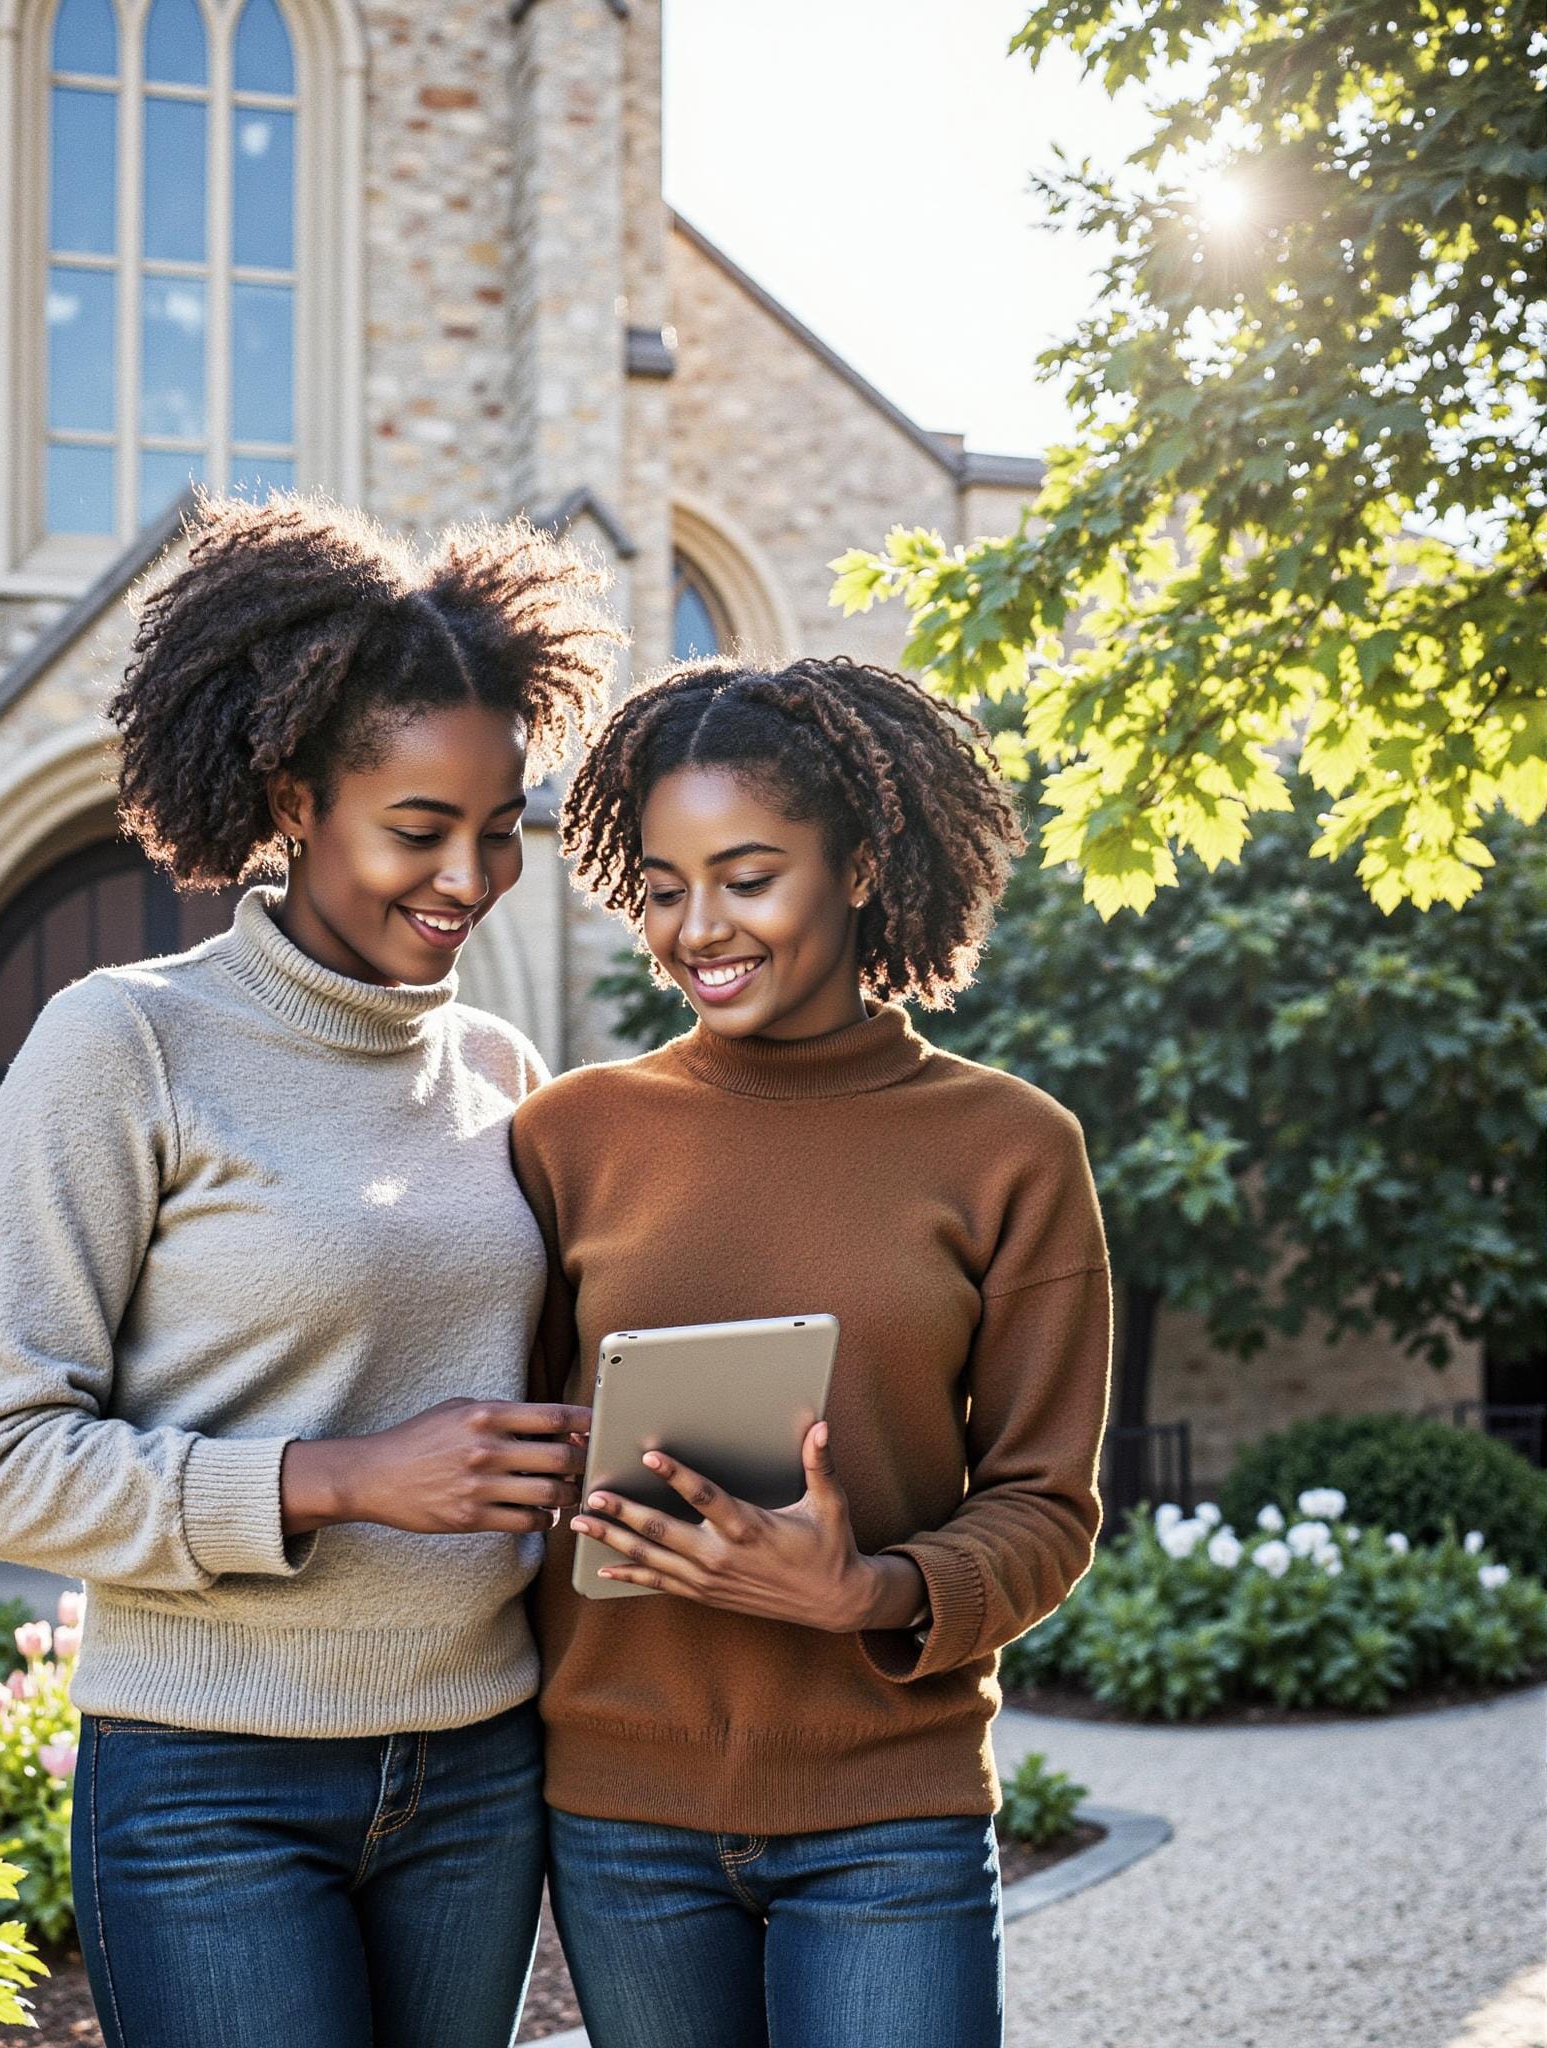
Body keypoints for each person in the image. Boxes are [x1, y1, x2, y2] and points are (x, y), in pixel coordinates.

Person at [0, 493, 620, 2048]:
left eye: (500, 829)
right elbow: (0, 1467)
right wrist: (342, 1478)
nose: (469, 877)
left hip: (475, 1765)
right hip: (208, 1770)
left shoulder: (503, 1068)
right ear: (294, 797)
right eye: (418, 830)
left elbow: (503, 1408)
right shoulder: (124, 1044)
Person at [510, 655, 1114, 2048]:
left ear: (857, 867)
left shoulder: (1012, 1149)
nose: (696, 927)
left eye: (748, 875)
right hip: (620, 1815)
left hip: (887, 1812)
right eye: (662, 886)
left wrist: (868, 1589)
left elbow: (1046, 1506)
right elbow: (525, 1435)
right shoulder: (569, 1138)